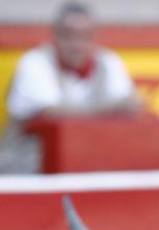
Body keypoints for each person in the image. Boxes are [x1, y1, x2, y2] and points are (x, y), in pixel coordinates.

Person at [0, 2, 141, 173]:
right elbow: (50, 113)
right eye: (68, 35)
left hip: (89, 167)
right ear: (55, 35)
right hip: (29, 169)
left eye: (84, 36)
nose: (76, 44)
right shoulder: (35, 62)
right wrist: (111, 108)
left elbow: (131, 108)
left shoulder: (109, 62)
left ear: (94, 36)